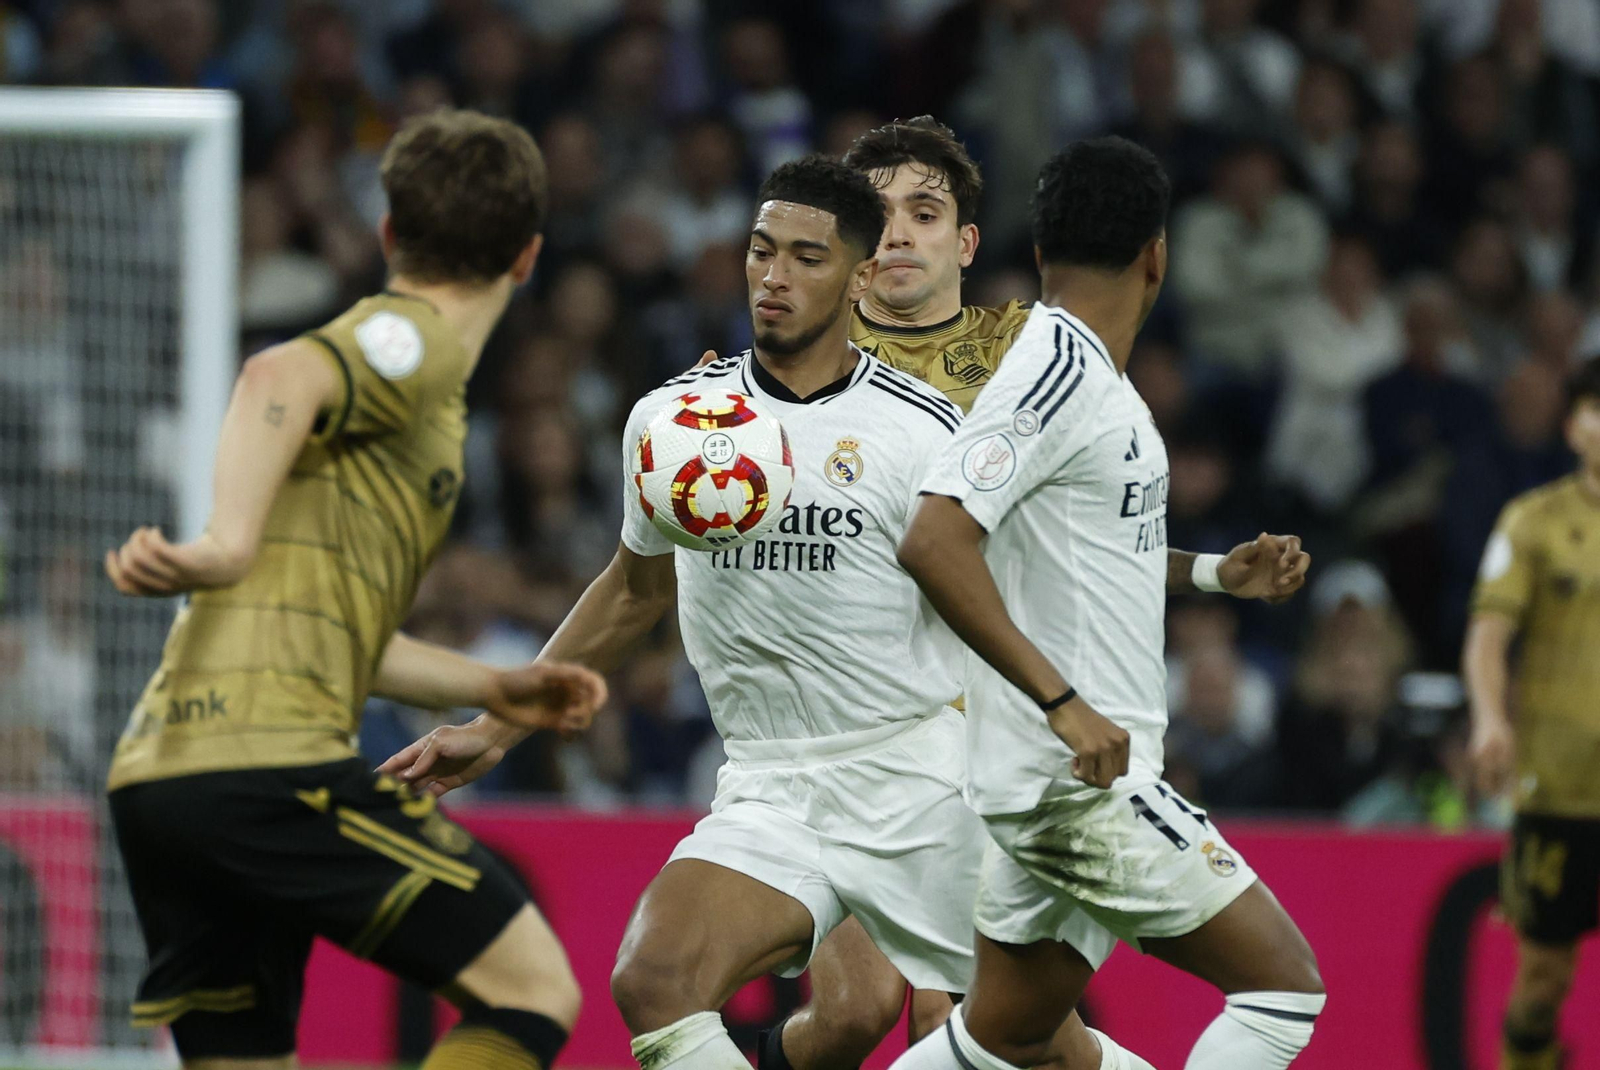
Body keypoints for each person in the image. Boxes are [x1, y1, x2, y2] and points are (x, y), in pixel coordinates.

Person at [381, 155, 1151, 1070]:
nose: (775, 277)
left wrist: (1064, 711)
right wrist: (494, 728)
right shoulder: (673, 423)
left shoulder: (927, 431)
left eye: (806, 258)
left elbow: (1023, 580)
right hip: (769, 780)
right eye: (760, 251)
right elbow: (635, 586)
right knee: (653, 978)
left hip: (918, 779)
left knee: (1021, 1045)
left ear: (863, 278)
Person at [641, 117, 1151, 1070]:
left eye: (924, 213)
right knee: (850, 1015)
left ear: (965, 243)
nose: (897, 236)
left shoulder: (1017, 363)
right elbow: (644, 574)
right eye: (878, 219)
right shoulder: (757, 391)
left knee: (964, 1022)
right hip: (820, 750)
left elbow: (1081, 524)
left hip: (965, 737)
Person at [103, 110, 607, 1070]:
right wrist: (225, 542)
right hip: (269, 772)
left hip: (164, 780)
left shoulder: (410, 402)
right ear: (529, 257)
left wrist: (495, 688)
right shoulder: (411, 345)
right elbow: (274, 371)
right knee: (534, 989)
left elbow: (343, 639)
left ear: (388, 234)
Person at [889, 136, 1325, 1070]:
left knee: (1008, 1039)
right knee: (1285, 986)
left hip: (1062, 775)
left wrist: (1217, 573)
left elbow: (1085, 553)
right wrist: (1063, 703)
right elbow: (934, 538)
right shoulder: (1057, 372)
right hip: (1077, 783)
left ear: (1042, 252)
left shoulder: (1092, 382)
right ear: (1158, 256)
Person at [1464, 355, 1600, 1070]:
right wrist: (1490, 719)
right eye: (1596, 411)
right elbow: (1489, 637)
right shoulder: (1534, 522)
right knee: (1544, 981)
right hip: (1559, 794)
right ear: (1573, 426)